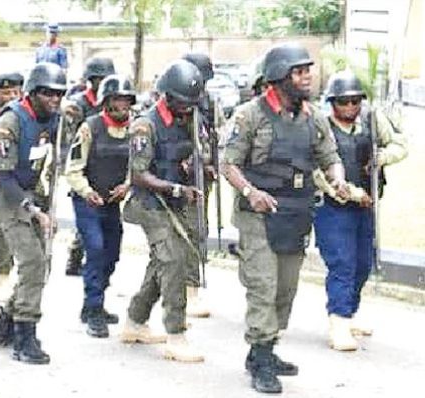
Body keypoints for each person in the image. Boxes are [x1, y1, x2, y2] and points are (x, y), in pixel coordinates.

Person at [221, 43, 349, 394]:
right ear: (279, 77)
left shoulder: (314, 117)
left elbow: (330, 155)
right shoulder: (250, 116)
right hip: (258, 213)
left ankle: (265, 348)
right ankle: (260, 358)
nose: (307, 77)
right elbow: (228, 163)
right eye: (299, 72)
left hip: (296, 213)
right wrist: (250, 192)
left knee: (286, 290)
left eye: (308, 70)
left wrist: (336, 178)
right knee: (263, 286)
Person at [314, 70, 407, 351]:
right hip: (333, 206)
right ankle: (338, 321)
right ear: (333, 103)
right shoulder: (322, 127)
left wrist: (381, 158)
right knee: (342, 263)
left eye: (356, 101)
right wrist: (351, 193)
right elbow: (317, 170)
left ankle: (349, 312)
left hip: (367, 206)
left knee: (363, 264)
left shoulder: (371, 120)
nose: (351, 107)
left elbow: (401, 144)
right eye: (344, 102)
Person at [120, 60, 206, 363]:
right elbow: (138, 174)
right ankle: (176, 334)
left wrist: (198, 167)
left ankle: (135, 320)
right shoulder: (145, 125)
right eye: (183, 103)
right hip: (149, 203)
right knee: (173, 260)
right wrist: (176, 188)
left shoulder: (191, 118)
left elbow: (198, 153)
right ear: (167, 96)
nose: (188, 109)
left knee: (162, 263)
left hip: (176, 201)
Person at [0, 62, 66, 364]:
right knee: (32, 261)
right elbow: (4, 176)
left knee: (43, 263)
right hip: (5, 194)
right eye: (47, 93)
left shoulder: (55, 121)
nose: (54, 100)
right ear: (32, 93)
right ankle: (25, 335)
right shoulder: (11, 121)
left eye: (59, 94)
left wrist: (47, 207)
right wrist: (33, 210)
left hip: (31, 191)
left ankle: (8, 317)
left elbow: (52, 163)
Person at [65, 74, 134, 338]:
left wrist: (128, 185)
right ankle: (93, 308)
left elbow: (138, 165)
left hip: (113, 202)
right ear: (106, 102)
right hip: (88, 201)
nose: (123, 105)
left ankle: (97, 300)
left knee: (112, 252)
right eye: (117, 99)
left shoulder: (135, 129)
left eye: (126, 99)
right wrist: (87, 192)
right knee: (94, 248)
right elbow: (73, 169)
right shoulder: (89, 128)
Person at [181, 51, 229, 318]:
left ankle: (190, 286)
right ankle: (188, 290)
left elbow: (220, 136)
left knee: (199, 230)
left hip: (203, 179)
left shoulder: (210, 104)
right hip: (177, 180)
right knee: (184, 234)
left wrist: (213, 162)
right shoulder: (173, 101)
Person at [62, 57, 116, 277]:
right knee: (87, 219)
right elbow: (69, 140)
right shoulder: (78, 105)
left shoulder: (112, 101)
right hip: (83, 163)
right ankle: (75, 258)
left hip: (105, 163)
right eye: (99, 79)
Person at [0, 71, 24, 301]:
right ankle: (0, 277)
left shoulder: (22, 116)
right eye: (6, 92)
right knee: (1, 229)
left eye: (15, 92)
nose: (11, 96)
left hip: (18, 179)